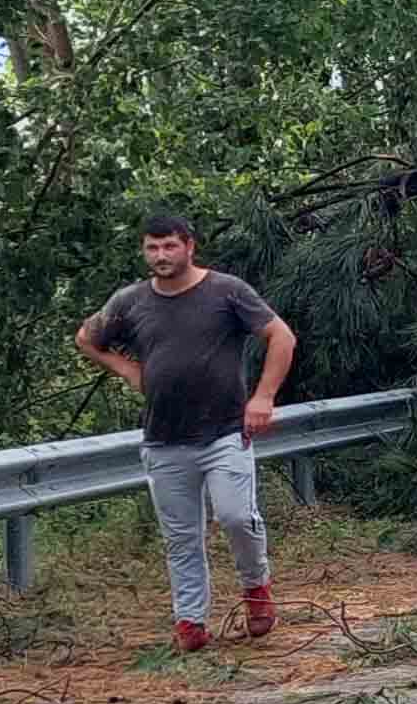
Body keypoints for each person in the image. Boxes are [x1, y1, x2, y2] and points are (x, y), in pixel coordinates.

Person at [75, 210, 298, 649]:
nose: (161, 255)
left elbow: (282, 337)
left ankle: (257, 588)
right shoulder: (130, 301)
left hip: (225, 432)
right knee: (180, 536)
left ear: (189, 247)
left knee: (235, 516)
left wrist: (264, 397)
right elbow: (86, 338)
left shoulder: (226, 291)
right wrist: (126, 368)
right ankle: (190, 622)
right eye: (152, 247)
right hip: (164, 438)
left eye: (169, 246)